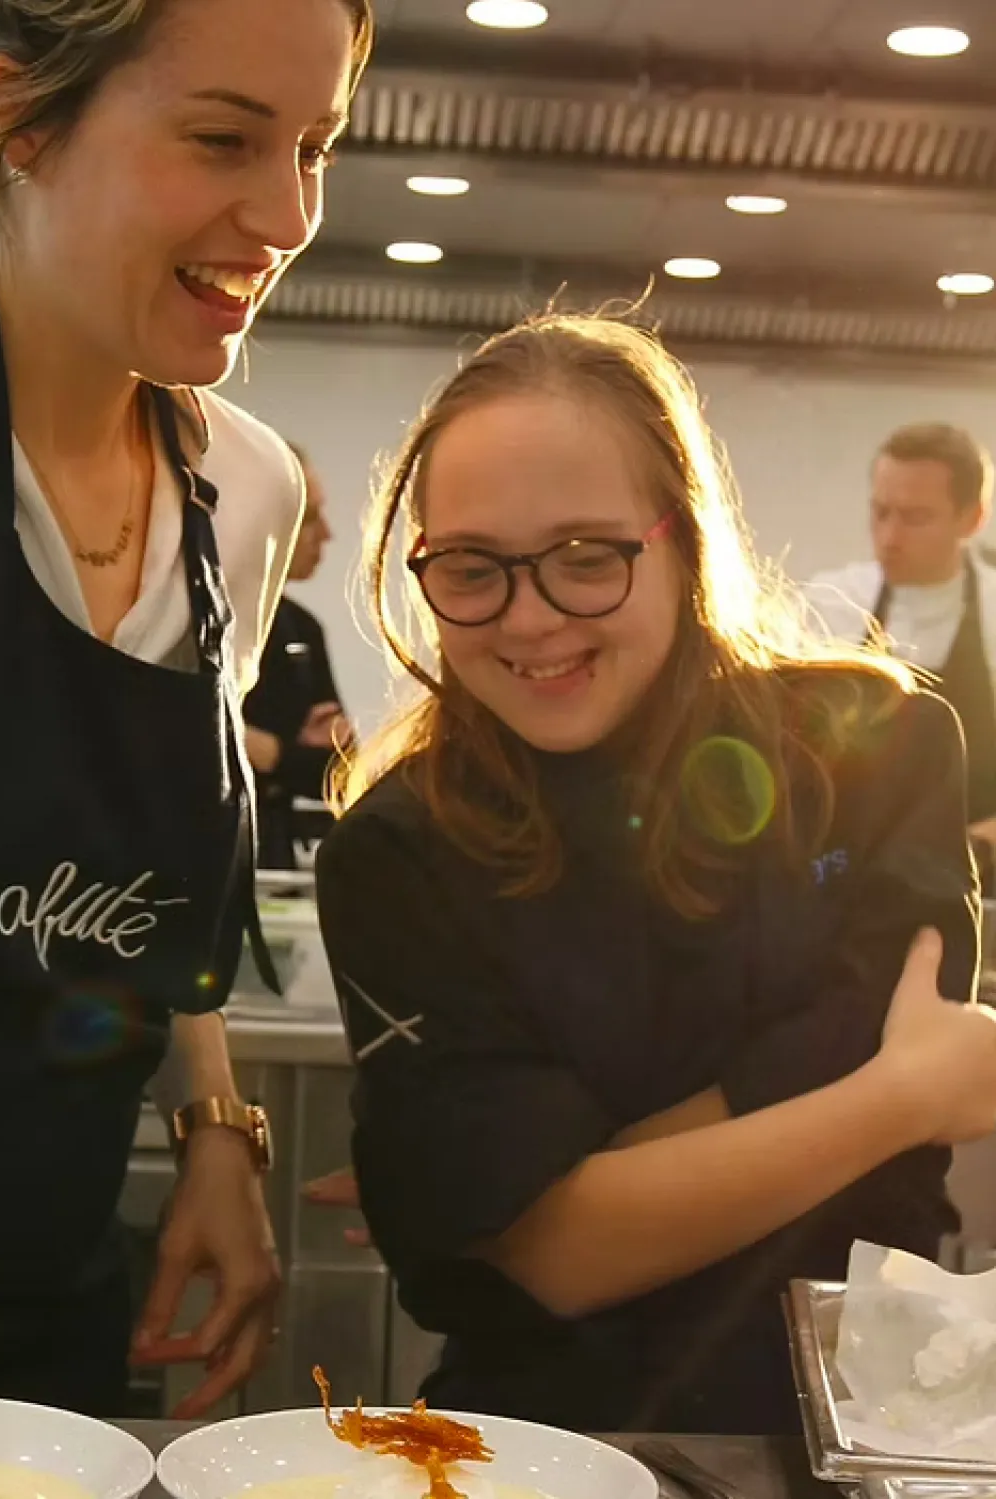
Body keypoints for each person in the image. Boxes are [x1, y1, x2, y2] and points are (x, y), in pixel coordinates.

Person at [0, 0, 372, 1417]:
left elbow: (145, 889)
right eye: (226, 138)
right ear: (19, 113)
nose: (287, 213)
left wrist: (214, 1125)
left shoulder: (246, 493)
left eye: (316, 146)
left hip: (48, 1317)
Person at [315, 314, 996, 1436]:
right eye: (475, 568)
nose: (530, 618)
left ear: (680, 538)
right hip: (542, 1441)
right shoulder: (399, 846)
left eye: (588, 557)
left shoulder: (881, 739)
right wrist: (894, 1098)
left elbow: (550, 1227)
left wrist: (556, 1173)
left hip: (858, 1429)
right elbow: (568, 1260)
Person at [809, 425, 996, 865]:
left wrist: (981, 844)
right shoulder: (831, 603)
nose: (890, 538)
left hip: (981, 880)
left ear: (972, 519)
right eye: (880, 512)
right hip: (849, 874)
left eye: (915, 518)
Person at [245, 445, 349, 868]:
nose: (326, 534)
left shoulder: (301, 629)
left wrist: (269, 752)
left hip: (272, 857)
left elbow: (336, 769)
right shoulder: (186, 622)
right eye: (310, 518)